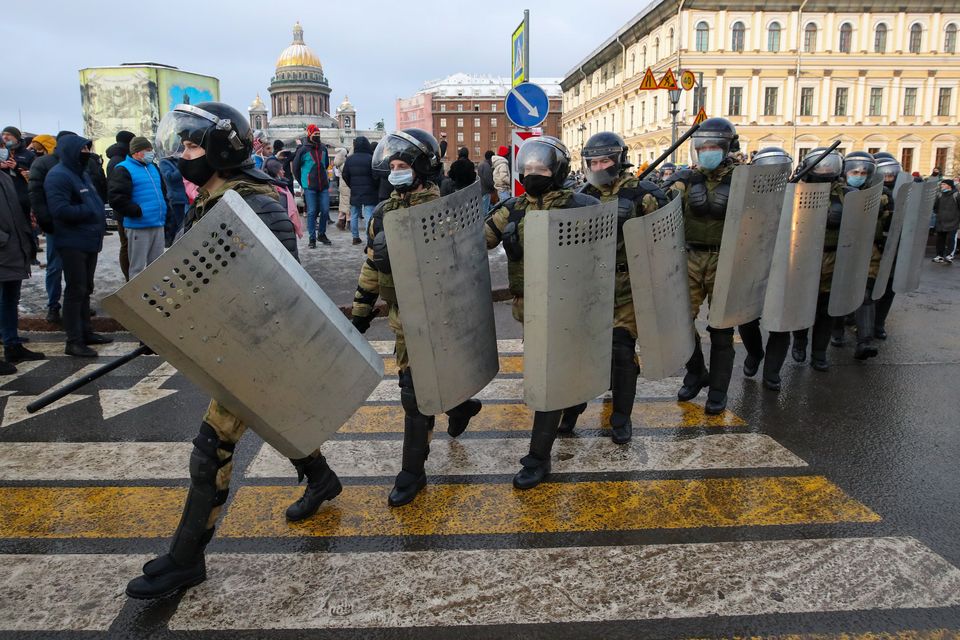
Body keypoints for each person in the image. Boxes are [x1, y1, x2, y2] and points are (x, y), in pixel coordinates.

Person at [126, 102, 342, 600]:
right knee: (277, 416)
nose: (184, 154)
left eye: (193, 145)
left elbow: (275, 283)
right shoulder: (213, 195)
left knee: (210, 450)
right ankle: (322, 477)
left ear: (222, 149)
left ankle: (185, 560)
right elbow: (191, 267)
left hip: (256, 344)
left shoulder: (256, 201)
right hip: (235, 339)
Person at [351, 128, 483, 507]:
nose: (396, 171)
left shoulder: (444, 209)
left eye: (403, 165)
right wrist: (360, 314)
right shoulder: (383, 213)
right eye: (391, 166)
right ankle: (459, 408)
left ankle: (412, 471)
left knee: (417, 392)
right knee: (416, 389)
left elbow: (465, 264)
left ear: (421, 167)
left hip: (442, 315)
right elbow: (371, 268)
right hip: (404, 319)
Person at [484, 136, 601, 489]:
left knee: (546, 379)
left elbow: (597, 253)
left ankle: (538, 458)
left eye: (543, 167)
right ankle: (575, 397)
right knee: (551, 372)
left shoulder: (579, 205)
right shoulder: (515, 208)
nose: (534, 174)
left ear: (559, 170)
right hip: (529, 307)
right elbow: (481, 238)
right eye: (529, 168)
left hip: (568, 305)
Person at [578, 132, 668, 441]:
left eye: (604, 160)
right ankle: (571, 407)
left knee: (621, 349)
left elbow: (663, 240)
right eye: (593, 161)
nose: (599, 166)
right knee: (583, 350)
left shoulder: (644, 195)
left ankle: (620, 417)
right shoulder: (580, 195)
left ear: (618, 160)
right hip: (590, 286)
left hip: (628, 283)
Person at [664, 117, 743, 415]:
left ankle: (719, 390)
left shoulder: (743, 180)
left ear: (727, 148)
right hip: (691, 257)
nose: (707, 151)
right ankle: (697, 371)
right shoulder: (686, 179)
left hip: (727, 258)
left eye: (713, 146)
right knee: (681, 321)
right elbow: (663, 203)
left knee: (722, 327)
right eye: (702, 147)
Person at [43, 134, 112, 357]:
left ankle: (86, 331)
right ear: (71, 151)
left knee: (86, 288)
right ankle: (73, 340)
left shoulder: (80, 174)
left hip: (89, 239)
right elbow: (60, 210)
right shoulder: (59, 176)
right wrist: (90, 212)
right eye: (82, 149)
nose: (86, 153)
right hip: (72, 241)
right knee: (75, 290)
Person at [735, 148, 794, 391]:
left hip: (786, 267)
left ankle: (772, 372)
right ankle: (755, 352)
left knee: (781, 323)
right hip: (752, 265)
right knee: (746, 320)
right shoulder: (747, 195)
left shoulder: (797, 194)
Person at [790, 147, 852, 372]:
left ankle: (819, 354)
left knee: (825, 310)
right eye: (820, 165)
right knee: (802, 305)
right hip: (804, 256)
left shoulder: (845, 194)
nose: (825, 169)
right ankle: (800, 340)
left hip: (833, 257)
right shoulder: (797, 190)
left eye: (829, 165)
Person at [0, 171, 44, 371]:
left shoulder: (5, 177)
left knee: (10, 299)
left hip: (14, 249)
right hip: (5, 247)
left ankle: (12, 344)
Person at [108, 137, 169, 279]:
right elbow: (116, 198)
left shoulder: (153, 167)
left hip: (157, 223)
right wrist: (137, 211)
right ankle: (137, 297)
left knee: (157, 265)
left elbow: (162, 191)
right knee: (138, 267)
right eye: (147, 150)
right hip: (138, 225)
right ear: (136, 152)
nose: (151, 153)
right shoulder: (123, 169)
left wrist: (165, 209)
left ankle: (156, 294)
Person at [843, 151, 881, 360]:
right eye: (854, 171)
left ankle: (865, 342)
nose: (859, 175)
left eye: (863, 172)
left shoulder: (878, 196)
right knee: (835, 297)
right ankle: (836, 332)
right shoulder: (835, 192)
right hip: (837, 255)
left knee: (864, 295)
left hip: (866, 253)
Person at [872, 152, 902, 338]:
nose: (887, 179)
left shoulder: (904, 193)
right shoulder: (868, 191)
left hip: (893, 250)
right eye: (884, 175)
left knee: (889, 287)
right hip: (871, 249)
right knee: (865, 287)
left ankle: (879, 323)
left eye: (891, 175)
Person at [292, 124, 331, 247]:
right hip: (310, 186)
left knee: (325, 210)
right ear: (309, 135)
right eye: (315, 135)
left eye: (319, 135)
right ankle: (312, 238)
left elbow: (325, 164)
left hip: (323, 185)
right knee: (312, 211)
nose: (317, 137)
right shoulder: (303, 150)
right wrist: (303, 182)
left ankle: (322, 234)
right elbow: (295, 168)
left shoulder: (323, 149)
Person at [106, 130, 136, 280]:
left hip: (125, 209)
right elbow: (116, 189)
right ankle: (129, 277)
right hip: (124, 210)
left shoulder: (118, 158)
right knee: (126, 246)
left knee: (129, 245)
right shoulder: (118, 161)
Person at [341, 137, 378, 246]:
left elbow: (345, 175)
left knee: (354, 215)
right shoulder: (371, 158)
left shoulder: (350, 159)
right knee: (368, 217)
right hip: (370, 192)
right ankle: (369, 240)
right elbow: (376, 176)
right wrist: (374, 186)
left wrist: (352, 185)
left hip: (355, 192)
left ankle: (355, 237)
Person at [264, 157, 303, 238]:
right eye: (281, 169)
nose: (284, 171)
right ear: (276, 172)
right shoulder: (279, 190)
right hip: (283, 229)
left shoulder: (282, 186)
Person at [1, 126, 35, 219]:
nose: (5, 137)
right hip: (4, 196)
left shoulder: (28, 155)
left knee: (25, 225)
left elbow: (33, 173)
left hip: (22, 196)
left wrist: (17, 167)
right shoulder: (2, 152)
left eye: (8, 134)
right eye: (3, 134)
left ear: (17, 137)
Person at [158, 153, 188, 247]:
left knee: (185, 223)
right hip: (176, 199)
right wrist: (183, 167)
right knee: (180, 225)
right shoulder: (164, 162)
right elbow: (170, 177)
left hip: (186, 197)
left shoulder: (178, 160)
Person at [933, 179, 960, 264]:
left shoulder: (956, 195)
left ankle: (949, 255)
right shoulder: (939, 194)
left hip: (953, 221)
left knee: (951, 239)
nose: (942, 186)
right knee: (940, 239)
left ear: (949, 185)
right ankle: (939, 256)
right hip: (941, 221)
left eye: (943, 184)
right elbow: (935, 207)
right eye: (941, 185)